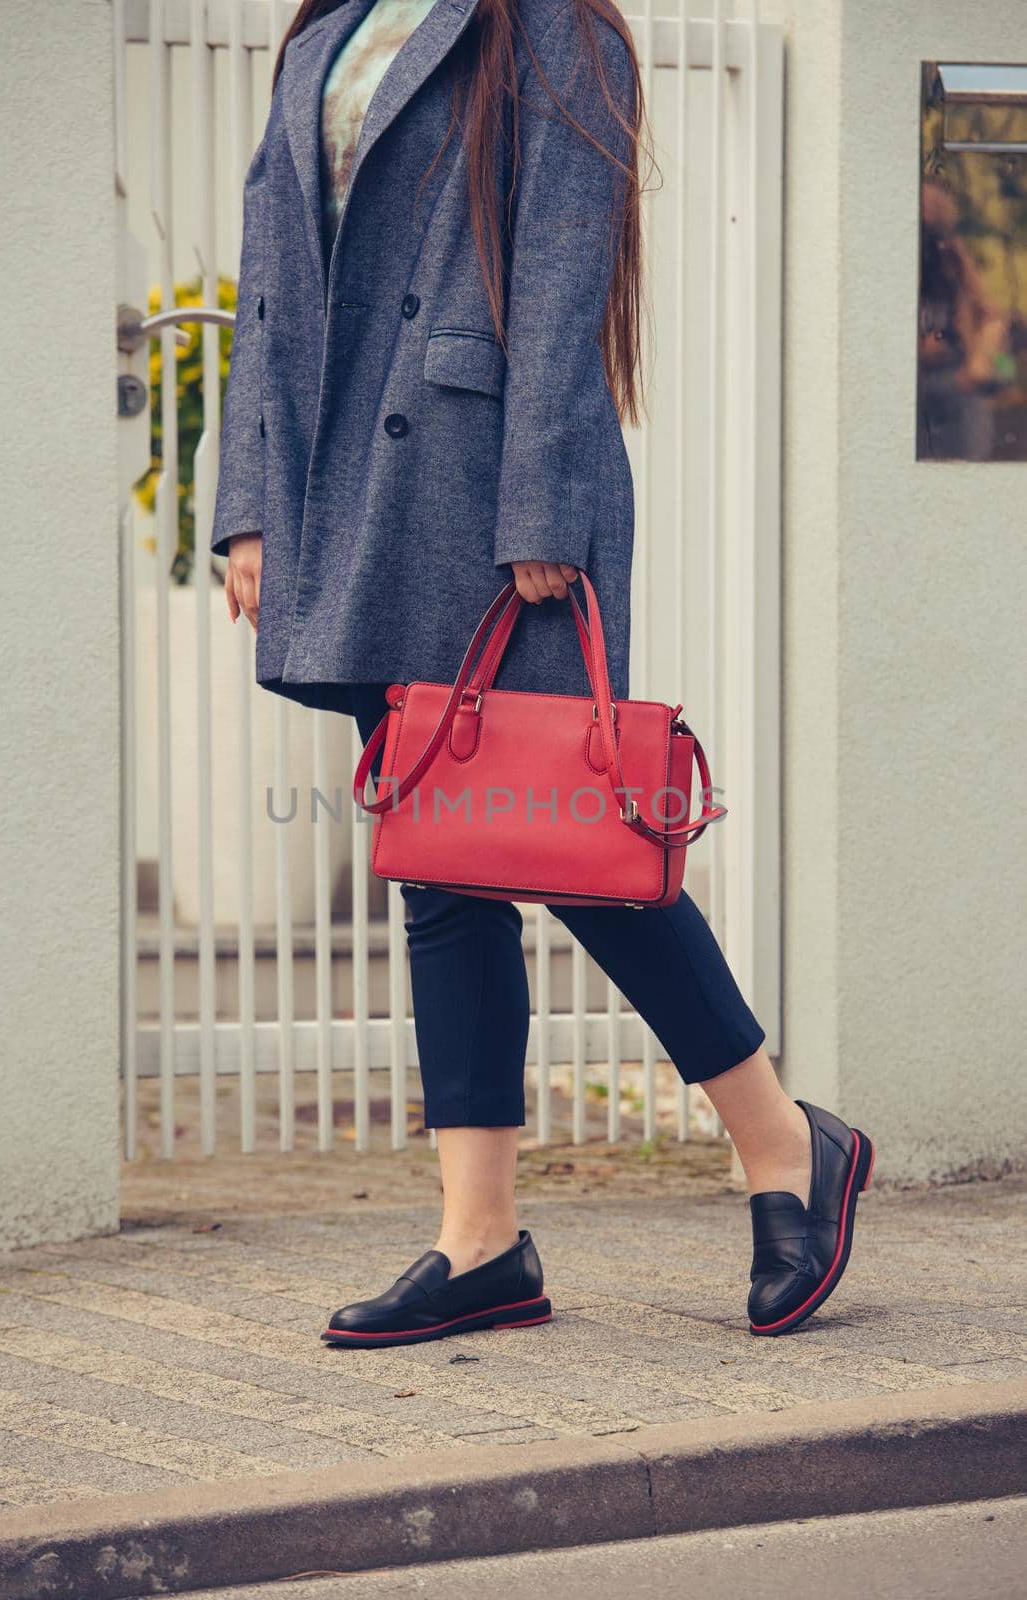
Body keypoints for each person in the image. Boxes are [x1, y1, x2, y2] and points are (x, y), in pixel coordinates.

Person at [210, 0, 874, 1346]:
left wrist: (540, 510)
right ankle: (482, 1242)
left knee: (572, 847)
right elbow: (269, 272)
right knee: (443, 856)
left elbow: (568, 275)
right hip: (342, 492)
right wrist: (246, 505)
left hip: (476, 484)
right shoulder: (325, 27)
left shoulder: (555, 27)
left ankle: (782, 1141)